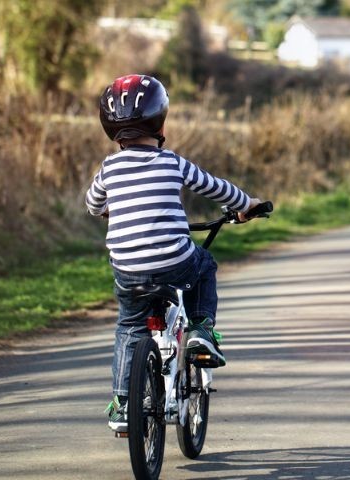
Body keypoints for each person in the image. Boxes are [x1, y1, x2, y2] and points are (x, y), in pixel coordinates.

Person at [85, 74, 260, 432]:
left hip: (128, 269)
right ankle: (199, 329)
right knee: (204, 265)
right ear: (160, 120)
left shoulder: (108, 168)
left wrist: (108, 210)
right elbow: (218, 189)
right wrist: (247, 205)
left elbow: (92, 203)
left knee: (130, 327)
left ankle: (122, 405)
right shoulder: (173, 163)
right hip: (174, 260)